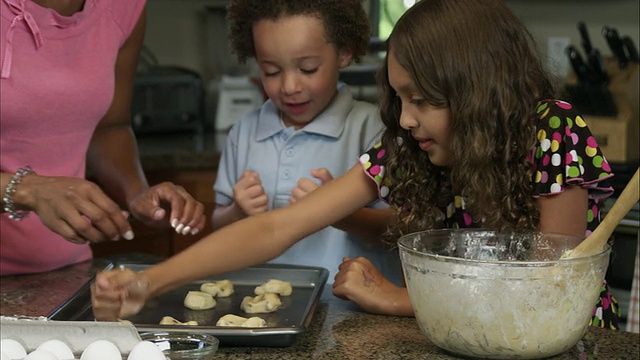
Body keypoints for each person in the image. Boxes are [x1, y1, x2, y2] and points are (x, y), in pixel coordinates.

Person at [91, 0, 618, 329]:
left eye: (422, 100)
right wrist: (152, 281)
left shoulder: (549, 130)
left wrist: (400, 300)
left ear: (476, 93)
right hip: (466, 334)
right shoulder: (413, 145)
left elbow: (550, 288)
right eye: (399, 99)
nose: (406, 120)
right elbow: (277, 227)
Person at [0, 0, 206, 275]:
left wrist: (138, 194)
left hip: (63, 271)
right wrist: (29, 191)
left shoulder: (124, 7)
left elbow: (110, 127)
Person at [212, 0, 402, 282]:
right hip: (261, 304)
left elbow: (399, 229)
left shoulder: (373, 129)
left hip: (349, 310)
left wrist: (339, 213)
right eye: (271, 72)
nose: (289, 87)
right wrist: (237, 212)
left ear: (344, 53)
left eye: (309, 69)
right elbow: (218, 226)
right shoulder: (244, 132)